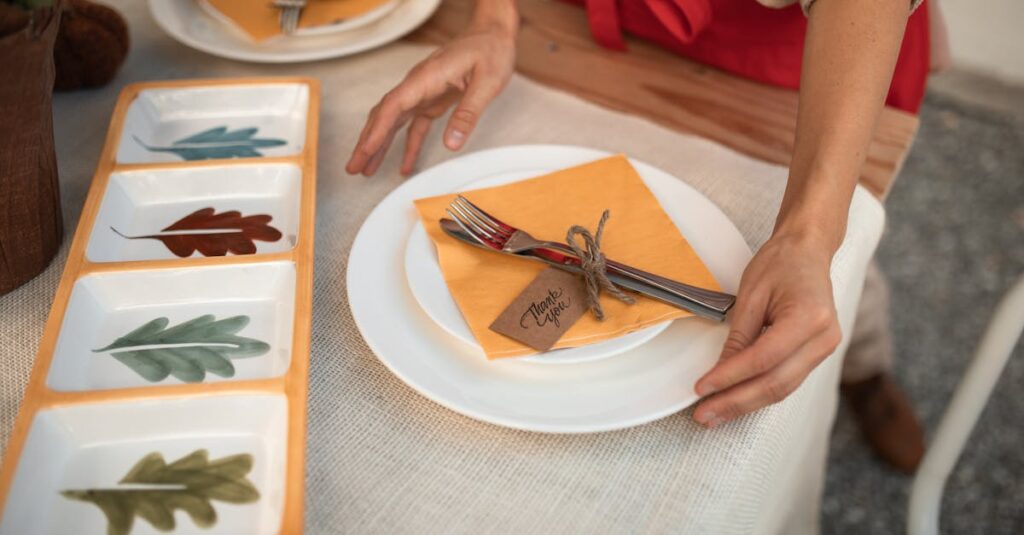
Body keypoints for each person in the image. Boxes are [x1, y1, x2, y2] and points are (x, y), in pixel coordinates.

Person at [347, 0, 944, 473]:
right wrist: (494, 18)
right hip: (580, 32)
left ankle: (865, 373)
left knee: (833, 269)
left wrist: (808, 236)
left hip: (799, 61)